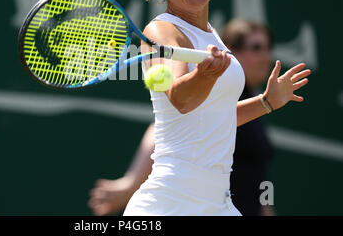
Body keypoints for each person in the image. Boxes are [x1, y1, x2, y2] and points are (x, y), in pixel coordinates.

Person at [90, 0, 311, 216]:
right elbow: (180, 100)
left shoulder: (211, 35)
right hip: (172, 203)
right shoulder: (161, 31)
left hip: (218, 204)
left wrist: (266, 101)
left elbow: (213, 118)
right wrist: (205, 75)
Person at [88, 19, 278, 216]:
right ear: (232, 50)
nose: (265, 57)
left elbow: (252, 177)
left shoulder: (247, 96)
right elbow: (163, 127)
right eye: (256, 48)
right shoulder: (221, 90)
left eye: (267, 48)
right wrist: (132, 183)